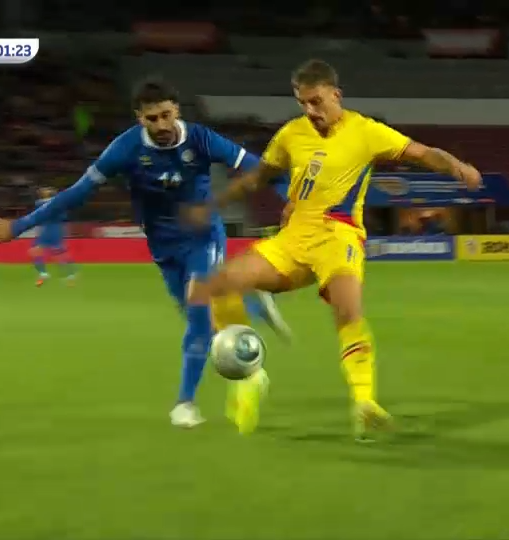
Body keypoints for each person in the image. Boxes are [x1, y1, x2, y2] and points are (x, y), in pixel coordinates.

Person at [183, 59, 482, 441]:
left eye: (316, 101)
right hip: (294, 238)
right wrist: (212, 206)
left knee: (347, 309)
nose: (310, 110)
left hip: (338, 237)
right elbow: (259, 178)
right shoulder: (292, 134)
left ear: (335, 95)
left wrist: (457, 166)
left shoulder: (366, 131)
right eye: (303, 103)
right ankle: (249, 376)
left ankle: (364, 402)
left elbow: (422, 153)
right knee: (218, 285)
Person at [0, 78, 292, 428]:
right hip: (162, 245)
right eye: (151, 118)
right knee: (200, 319)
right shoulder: (125, 148)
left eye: (166, 115)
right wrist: (20, 225)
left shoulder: (201, 139)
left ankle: (185, 404)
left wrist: (292, 202)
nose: (160, 124)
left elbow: (261, 169)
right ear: (139, 118)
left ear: (177, 111)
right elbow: (76, 193)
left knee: (199, 314)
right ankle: (251, 305)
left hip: (203, 238)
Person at [30, 186, 76, 287]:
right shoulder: (60, 203)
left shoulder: (40, 203)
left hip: (49, 229)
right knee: (58, 253)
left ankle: (45, 274)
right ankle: (70, 275)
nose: (43, 191)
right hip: (56, 229)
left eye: (46, 190)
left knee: (56, 254)